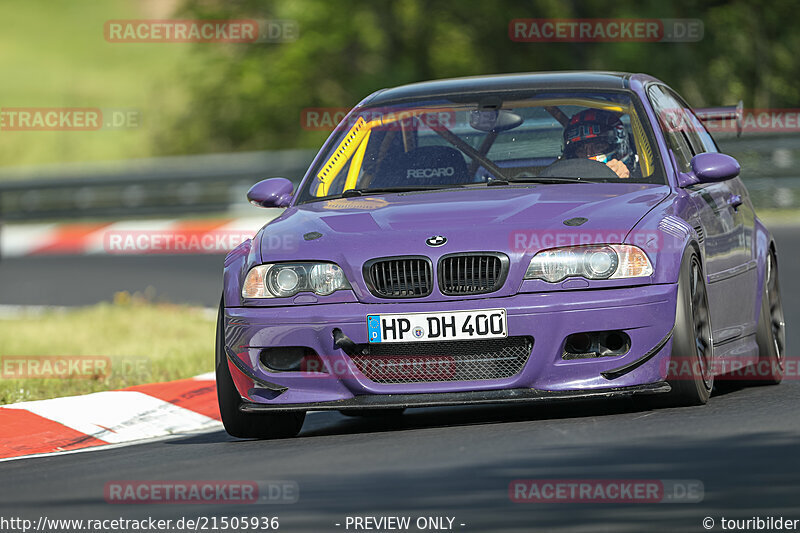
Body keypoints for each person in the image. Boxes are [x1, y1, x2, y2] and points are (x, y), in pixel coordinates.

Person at [562, 109, 635, 178]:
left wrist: (626, 179)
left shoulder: (643, 178)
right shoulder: (561, 178)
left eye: (598, 147)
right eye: (581, 150)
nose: (588, 154)